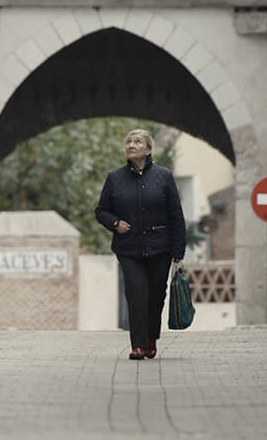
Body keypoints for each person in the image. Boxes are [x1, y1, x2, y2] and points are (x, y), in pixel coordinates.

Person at [95, 129, 186, 360]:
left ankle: (151, 339)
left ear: (148, 149)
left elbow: (176, 215)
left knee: (156, 295)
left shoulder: (163, 176)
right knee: (136, 293)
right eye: (128, 142)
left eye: (137, 142)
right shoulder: (115, 178)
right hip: (129, 248)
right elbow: (101, 211)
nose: (131, 145)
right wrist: (115, 223)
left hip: (160, 247)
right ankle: (136, 345)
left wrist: (178, 251)